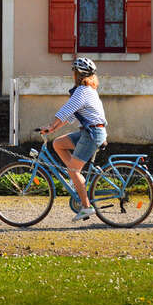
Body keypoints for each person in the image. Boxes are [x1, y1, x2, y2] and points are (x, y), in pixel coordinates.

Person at [40, 57, 108, 222]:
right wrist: (53, 128)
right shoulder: (88, 90)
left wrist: (51, 125)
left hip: (92, 134)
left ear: (78, 74)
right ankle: (76, 180)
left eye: (74, 71)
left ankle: (86, 207)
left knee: (73, 169)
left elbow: (66, 109)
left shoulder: (83, 91)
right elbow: (70, 116)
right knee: (58, 143)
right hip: (90, 132)